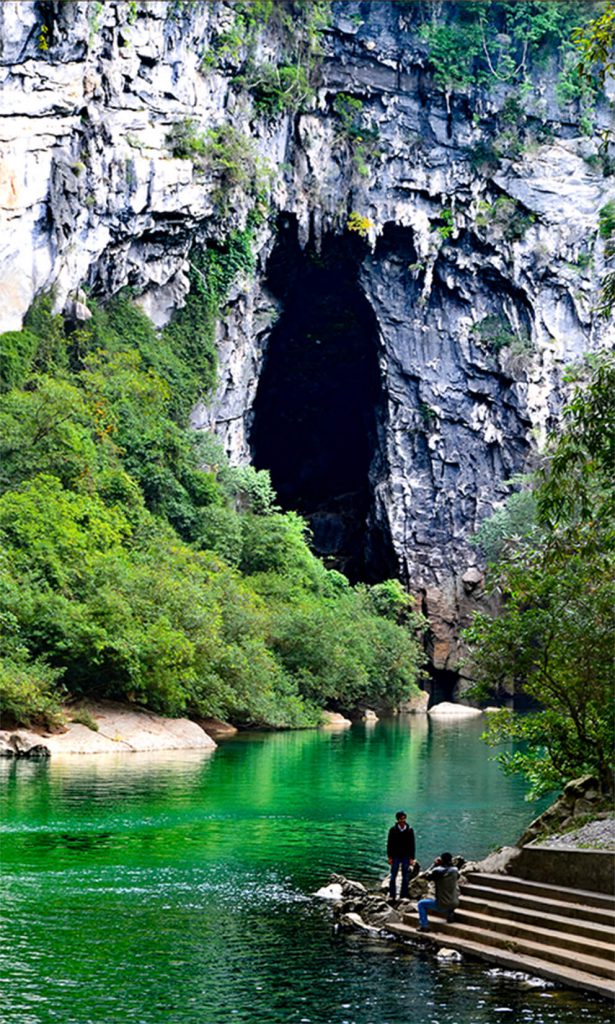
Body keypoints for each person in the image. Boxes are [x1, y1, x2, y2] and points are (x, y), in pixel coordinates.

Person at [416, 851, 460, 931]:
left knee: (421, 904)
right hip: (455, 902)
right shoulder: (455, 870)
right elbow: (454, 872)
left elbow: (426, 876)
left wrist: (434, 865)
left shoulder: (437, 871)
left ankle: (424, 925)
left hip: (442, 904)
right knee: (451, 893)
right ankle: (450, 914)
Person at [387, 810, 415, 901]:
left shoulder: (409, 830)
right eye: (401, 819)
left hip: (406, 855)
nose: (403, 821)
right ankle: (392, 894)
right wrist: (390, 857)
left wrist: (412, 858)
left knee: (405, 876)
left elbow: (412, 844)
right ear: (398, 820)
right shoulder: (393, 830)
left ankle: (403, 895)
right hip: (395, 855)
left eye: (404, 818)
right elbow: (389, 844)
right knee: (393, 875)